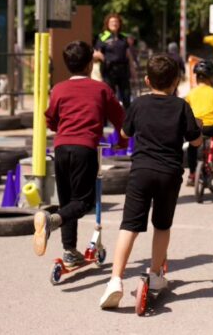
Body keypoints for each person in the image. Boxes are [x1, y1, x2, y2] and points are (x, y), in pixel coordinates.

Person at [99, 55, 202, 308]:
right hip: (169, 173)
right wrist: (197, 129)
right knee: (162, 225)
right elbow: (196, 140)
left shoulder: (139, 104)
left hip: (141, 171)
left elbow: (125, 133)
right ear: (176, 81)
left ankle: (115, 279)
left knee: (130, 225)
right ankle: (155, 275)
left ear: (147, 80)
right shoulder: (181, 106)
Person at [33, 41, 126, 268]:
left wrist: (63, 128)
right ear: (89, 64)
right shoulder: (101, 89)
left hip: (61, 148)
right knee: (84, 202)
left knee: (67, 200)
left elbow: (51, 119)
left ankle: (69, 251)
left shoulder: (59, 89)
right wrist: (121, 142)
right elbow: (121, 119)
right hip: (85, 149)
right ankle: (52, 220)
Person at [94, 13, 136, 108]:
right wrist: (104, 59)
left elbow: (128, 54)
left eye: (116, 22)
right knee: (110, 95)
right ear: (107, 24)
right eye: (112, 22)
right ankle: (109, 118)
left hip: (123, 70)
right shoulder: (103, 36)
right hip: (109, 70)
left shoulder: (123, 37)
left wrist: (133, 71)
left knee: (126, 95)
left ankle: (127, 118)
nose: (114, 24)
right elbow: (97, 53)